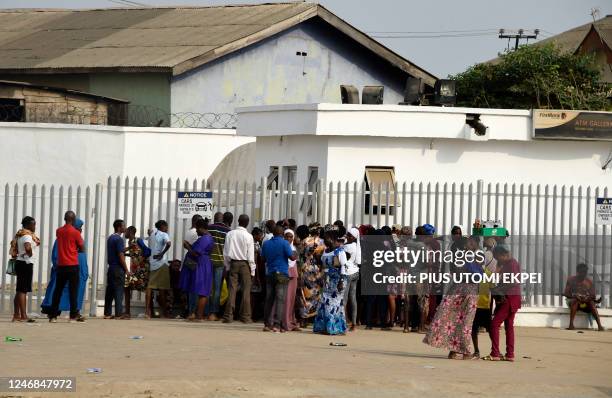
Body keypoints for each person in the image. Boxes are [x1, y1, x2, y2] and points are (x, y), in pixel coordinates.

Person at [423, 236, 482, 360]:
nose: (472, 245)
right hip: (469, 291)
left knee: (453, 320)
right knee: (465, 322)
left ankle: (453, 351)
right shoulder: (469, 258)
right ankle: (465, 351)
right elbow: (477, 276)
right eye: (470, 243)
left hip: (456, 290)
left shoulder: (456, 258)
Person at [42, 218, 88, 318]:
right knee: (62, 291)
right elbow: (55, 255)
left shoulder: (63, 234)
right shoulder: (65, 237)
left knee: (69, 292)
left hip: (74, 270)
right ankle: (56, 312)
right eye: (80, 228)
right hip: (69, 268)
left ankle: (73, 311)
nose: (81, 230)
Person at [483, 244, 522, 362]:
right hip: (513, 298)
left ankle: (495, 353)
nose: (497, 260)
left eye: (497, 258)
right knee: (509, 326)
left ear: (502, 255)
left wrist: (499, 290)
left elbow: (514, 281)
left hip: (508, 298)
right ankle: (510, 354)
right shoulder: (508, 264)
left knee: (494, 324)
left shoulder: (512, 264)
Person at [262, 225, 297, 332]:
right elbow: (292, 257)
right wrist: (296, 253)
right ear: (282, 234)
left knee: (269, 299)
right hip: (282, 274)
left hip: (270, 273)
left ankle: (267, 324)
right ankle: (277, 325)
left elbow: (263, 258)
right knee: (280, 300)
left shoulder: (266, 243)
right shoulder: (284, 243)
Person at [313, 230, 348, 335]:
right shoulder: (325, 251)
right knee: (324, 303)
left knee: (333, 304)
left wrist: (341, 281)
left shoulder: (339, 251)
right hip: (327, 281)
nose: (325, 240)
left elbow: (343, 267)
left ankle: (333, 328)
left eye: (327, 238)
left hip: (337, 281)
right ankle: (324, 327)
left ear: (333, 239)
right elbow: (323, 266)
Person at [222, 214, 255, 323]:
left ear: (238, 221)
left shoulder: (230, 234)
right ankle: (245, 316)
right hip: (245, 264)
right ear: (247, 223)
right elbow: (250, 256)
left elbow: (226, 253)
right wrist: (253, 271)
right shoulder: (249, 236)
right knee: (246, 291)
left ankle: (228, 316)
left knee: (232, 290)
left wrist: (227, 267)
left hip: (233, 263)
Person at [181, 218, 214, 321]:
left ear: (200, 228)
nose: (196, 232)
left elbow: (196, 253)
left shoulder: (205, 239)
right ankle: (196, 314)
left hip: (201, 265)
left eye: (197, 229)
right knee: (199, 289)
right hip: (201, 264)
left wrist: (187, 246)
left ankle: (199, 315)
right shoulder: (206, 238)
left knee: (202, 291)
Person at [10, 216, 40, 322]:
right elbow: (27, 247)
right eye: (33, 224)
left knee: (19, 290)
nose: (35, 226)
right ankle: (23, 315)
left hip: (20, 262)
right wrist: (30, 254)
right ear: (28, 225)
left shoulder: (20, 234)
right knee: (23, 290)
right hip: (25, 263)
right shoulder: (27, 235)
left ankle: (16, 315)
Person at [564, 263, 604, 331]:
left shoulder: (589, 282)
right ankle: (571, 325)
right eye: (581, 272)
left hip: (585, 304)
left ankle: (599, 326)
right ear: (577, 272)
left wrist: (589, 299)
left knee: (591, 303)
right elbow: (566, 293)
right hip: (573, 302)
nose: (583, 274)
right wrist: (575, 295)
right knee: (575, 300)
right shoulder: (571, 280)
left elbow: (592, 296)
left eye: (585, 272)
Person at [206, 211, 232, 320]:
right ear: (222, 219)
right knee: (217, 288)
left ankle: (205, 311)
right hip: (221, 262)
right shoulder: (228, 231)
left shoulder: (209, 228)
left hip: (208, 260)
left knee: (207, 287)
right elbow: (228, 249)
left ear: (214, 218)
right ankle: (213, 313)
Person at [298, 223, 325, 325]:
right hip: (316, 270)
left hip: (305, 269)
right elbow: (321, 257)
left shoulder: (305, 241)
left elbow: (301, 256)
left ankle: (303, 319)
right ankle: (312, 319)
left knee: (304, 294)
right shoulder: (321, 242)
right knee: (316, 295)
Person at [147, 220, 172, 318]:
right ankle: (164, 313)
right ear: (162, 226)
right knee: (162, 289)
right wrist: (162, 253)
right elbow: (169, 244)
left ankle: (147, 311)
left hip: (153, 263)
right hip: (161, 264)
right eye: (166, 226)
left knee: (150, 286)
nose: (167, 228)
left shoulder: (153, 234)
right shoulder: (164, 234)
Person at [123, 226, 149, 318]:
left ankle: (147, 312)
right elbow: (134, 253)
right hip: (135, 270)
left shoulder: (138, 240)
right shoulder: (130, 242)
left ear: (130, 232)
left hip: (142, 270)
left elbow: (147, 251)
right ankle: (127, 312)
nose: (124, 233)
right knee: (127, 285)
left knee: (145, 288)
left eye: (126, 232)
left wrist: (140, 260)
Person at [104, 219, 128, 319]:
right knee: (118, 290)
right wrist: (126, 269)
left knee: (110, 290)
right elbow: (120, 254)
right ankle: (119, 313)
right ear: (119, 227)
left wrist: (129, 248)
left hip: (111, 268)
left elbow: (119, 250)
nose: (125, 228)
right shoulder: (119, 239)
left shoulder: (110, 238)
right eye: (124, 226)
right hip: (118, 268)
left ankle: (107, 313)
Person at [181, 214, 203, 319]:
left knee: (190, 285)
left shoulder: (188, 231)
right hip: (195, 259)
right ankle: (193, 311)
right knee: (196, 284)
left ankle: (190, 310)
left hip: (188, 259)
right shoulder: (196, 233)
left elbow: (185, 245)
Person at [343, 227, 361, 331]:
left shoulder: (347, 247)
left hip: (348, 273)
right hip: (355, 272)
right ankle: (353, 324)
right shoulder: (356, 246)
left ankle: (344, 322)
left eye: (349, 235)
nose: (347, 237)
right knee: (353, 298)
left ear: (354, 237)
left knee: (344, 299)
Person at [282, 229, 300, 331]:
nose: (289, 239)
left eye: (290, 237)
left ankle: (291, 320)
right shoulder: (284, 248)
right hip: (285, 273)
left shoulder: (294, 248)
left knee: (291, 299)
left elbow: (295, 262)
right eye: (287, 236)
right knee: (285, 299)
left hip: (293, 273)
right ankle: (285, 322)